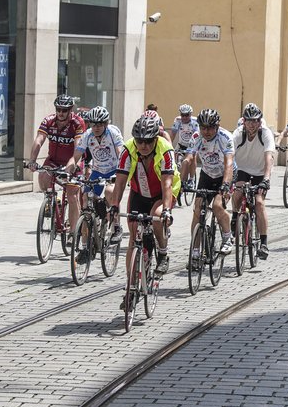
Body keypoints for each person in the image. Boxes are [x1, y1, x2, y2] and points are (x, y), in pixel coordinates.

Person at [112, 115, 180, 282]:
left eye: (148, 141)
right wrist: (114, 207)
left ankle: (163, 254)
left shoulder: (165, 150)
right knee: (134, 235)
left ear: (156, 139)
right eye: (139, 141)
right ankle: (131, 286)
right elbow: (120, 183)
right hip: (139, 193)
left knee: (157, 217)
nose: (143, 145)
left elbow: (167, 185)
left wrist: (166, 211)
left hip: (162, 193)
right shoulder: (128, 149)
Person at [65, 106, 124, 255]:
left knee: (110, 192)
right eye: (93, 124)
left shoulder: (113, 133)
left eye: (99, 124)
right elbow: (76, 155)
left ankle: (116, 226)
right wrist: (69, 169)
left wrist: (121, 173)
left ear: (105, 124)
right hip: (97, 171)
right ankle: (85, 247)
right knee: (86, 200)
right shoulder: (88, 135)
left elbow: (121, 154)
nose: (96, 127)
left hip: (113, 170)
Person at [182, 109, 235, 267]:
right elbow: (188, 159)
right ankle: (196, 252)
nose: (206, 131)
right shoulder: (197, 137)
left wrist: (225, 185)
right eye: (203, 127)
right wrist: (181, 183)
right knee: (197, 210)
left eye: (210, 128)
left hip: (225, 175)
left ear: (217, 126)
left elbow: (229, 163)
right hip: (207, 175)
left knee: (218, 206)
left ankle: (227, 237)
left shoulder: (225, 137)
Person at [26, 94, 86, 231]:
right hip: (53, 160)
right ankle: (52, 201)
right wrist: (32, 161)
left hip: (72, 161)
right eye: (58, 109)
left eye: (64, 110)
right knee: (43, 177)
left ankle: (73, 232)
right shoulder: (49, 121)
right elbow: (39, 140)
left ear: (70, 110)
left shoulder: (77, 123)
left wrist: (72, 165)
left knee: (72, 194)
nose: (60, 113)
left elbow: (78, 148)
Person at [232, 103, 276, 259]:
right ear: (244, 121)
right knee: (237, 194)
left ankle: (263, 242)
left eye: (255, 121)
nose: (252, 124)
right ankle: (234, 219)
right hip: (243, 170)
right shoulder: (238, 134)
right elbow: (229, 155)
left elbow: (269, 156)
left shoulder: (265, 134)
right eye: (249, 121)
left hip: (260, 172)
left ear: (260, 121)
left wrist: (266, 179)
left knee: (259, 203)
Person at [171, 104, 199, 186]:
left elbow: (196, 136)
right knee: (174, 160)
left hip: (192, 144)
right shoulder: (177, 120)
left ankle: (191, 179)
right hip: (181, 144)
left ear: (190, 114)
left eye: (187, 115)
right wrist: (169, 145)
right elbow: (172, 135)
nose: (184, 117)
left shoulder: (195, 122)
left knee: (193, 158)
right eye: (182, 115)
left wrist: (192, 148)